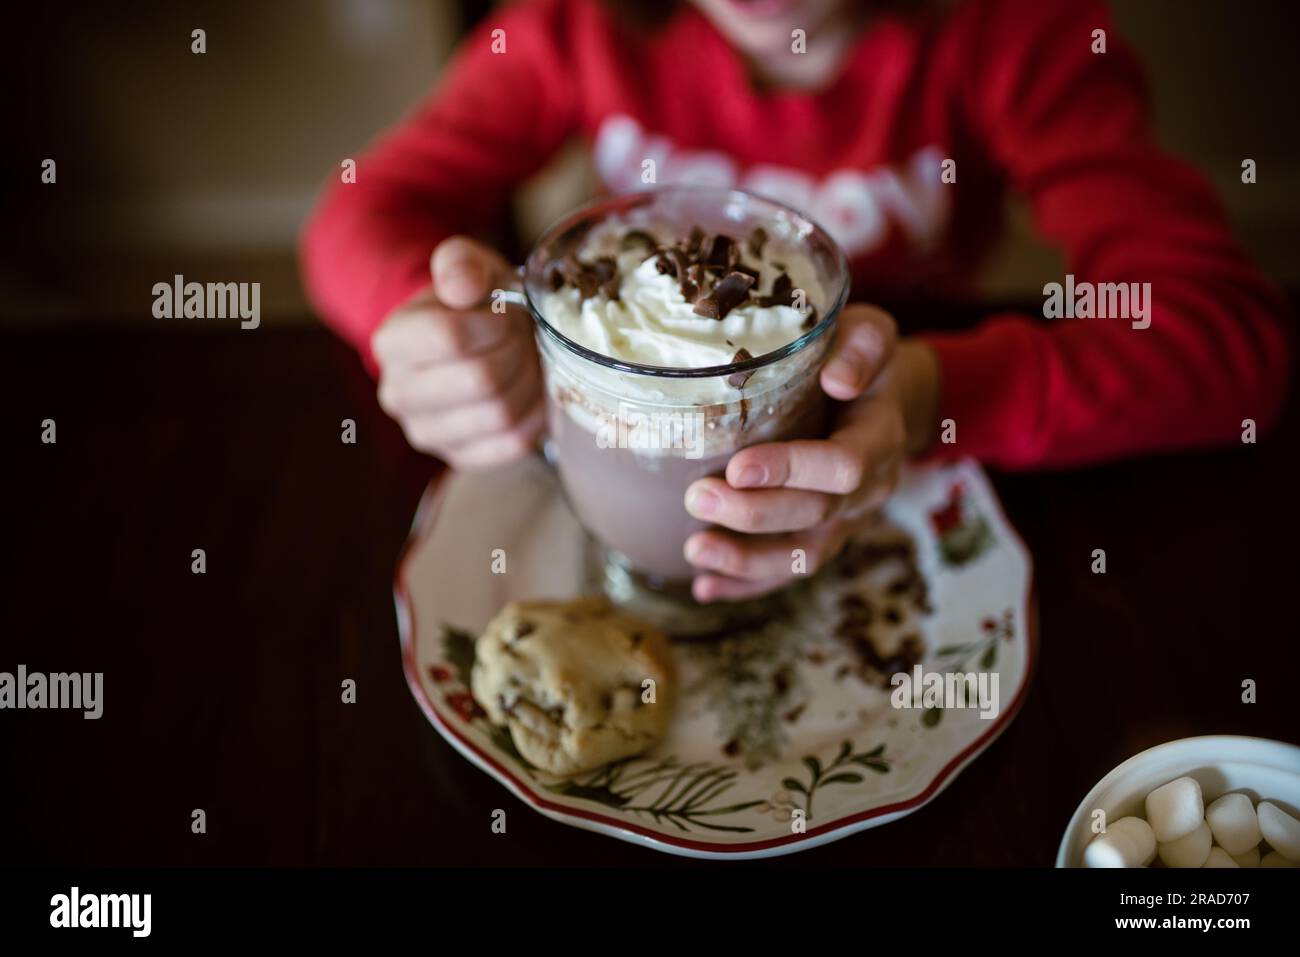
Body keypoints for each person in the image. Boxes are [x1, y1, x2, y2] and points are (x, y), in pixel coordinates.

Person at [300, 0, 1291, 602]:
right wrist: (421, 323)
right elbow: (354, 215)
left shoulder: (1014, 36)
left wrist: (934, 392)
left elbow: (1230, 343)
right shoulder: (568, 31)